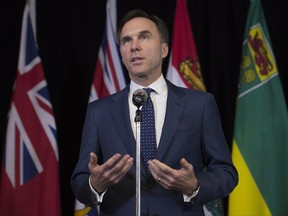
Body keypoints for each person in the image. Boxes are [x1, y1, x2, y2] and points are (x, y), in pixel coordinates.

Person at [71, 9, 238, 215]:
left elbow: (226, 173)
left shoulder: (200, 105)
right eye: (126, 40)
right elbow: (79, 182)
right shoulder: (99, 111)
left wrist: (194, 185)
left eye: (144, 37)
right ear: (122, 55)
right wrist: (94, 184)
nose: (134, 46)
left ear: (164, 49)